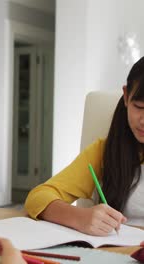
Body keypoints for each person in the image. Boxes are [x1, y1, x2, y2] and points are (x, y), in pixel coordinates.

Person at [25, 56, 144, 236]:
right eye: (139, 107)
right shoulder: (104, 152)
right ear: (126, 96)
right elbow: (38, 197)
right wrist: (79, 217)